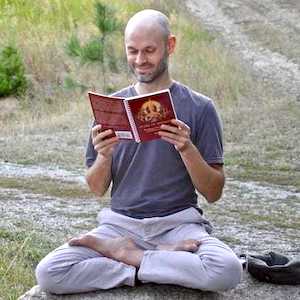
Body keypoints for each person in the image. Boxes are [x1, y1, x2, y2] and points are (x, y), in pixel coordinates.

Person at [35, 9, 242, 294]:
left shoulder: (200, 107)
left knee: (227, 271)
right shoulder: (110, 107)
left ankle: (132, 258)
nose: (140, 60)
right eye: (132, 51)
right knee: (50, 273)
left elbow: (214, 192)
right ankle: (157, 259)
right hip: (120, 226)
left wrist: (186, 147)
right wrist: (104, 156)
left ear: (170, 46)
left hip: (179, 225)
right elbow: (97, 188)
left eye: (149, 50)